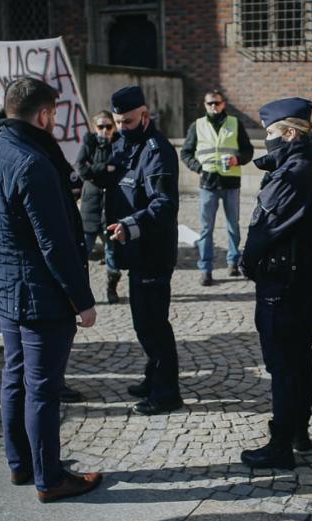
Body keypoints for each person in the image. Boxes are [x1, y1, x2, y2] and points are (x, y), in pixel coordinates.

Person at [0, 77, 101, 502]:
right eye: (53, 114)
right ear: (44, 114)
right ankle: (49, 479)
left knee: (15, 379)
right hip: (38, 295)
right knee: (42, 388)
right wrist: (82, 300)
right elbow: (56, 243)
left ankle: (21, 464)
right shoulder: (32, 162)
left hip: (4, 288)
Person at [237, 97, 312, 469]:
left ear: (291, 133)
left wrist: (248, 264)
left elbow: (262, 231)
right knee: (300, 358)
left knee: (282, 364)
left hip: (282, 284)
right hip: (308, 280)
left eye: (272, 134)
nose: (269, 142)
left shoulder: (291, 176)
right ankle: (300, 430)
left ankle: (280, 444)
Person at [106, 86, 183, 415]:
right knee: (144, 323)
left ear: (145, 116)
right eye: (118, 121)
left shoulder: (157, 150)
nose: (123, 126)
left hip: (152, 251)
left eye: (128, 120)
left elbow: (164, 204)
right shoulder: (125, 142)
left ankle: (167, 394)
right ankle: (154, 378)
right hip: (134, 252)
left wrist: (130, 225)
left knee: (154, 326)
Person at [180, 89, 254, 286]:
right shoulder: (198, 125)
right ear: (205, 105)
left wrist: (236, 159)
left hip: (231, 183)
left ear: (223, 104)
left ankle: (233, 262)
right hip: (208, 183)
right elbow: (186, 152)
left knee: (233, 226)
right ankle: (205, 269)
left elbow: (248, 151)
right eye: (209, 103)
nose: (213, 106)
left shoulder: (235, 123)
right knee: (206, 229)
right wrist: (198, 168)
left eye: (217, 103)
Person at [74, 110, 123, 304]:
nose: (105, 130)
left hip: (111, 205)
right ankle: (79, 293)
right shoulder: (89, 143)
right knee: (82, 252)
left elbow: (120, 168)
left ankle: (112, 288)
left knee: (112, 251)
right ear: (95, 128)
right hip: (91, 206)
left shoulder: (119, 144)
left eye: (108, 126)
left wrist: (98, 171)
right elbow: (81, 169)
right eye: (101, 127)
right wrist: (104, 168)